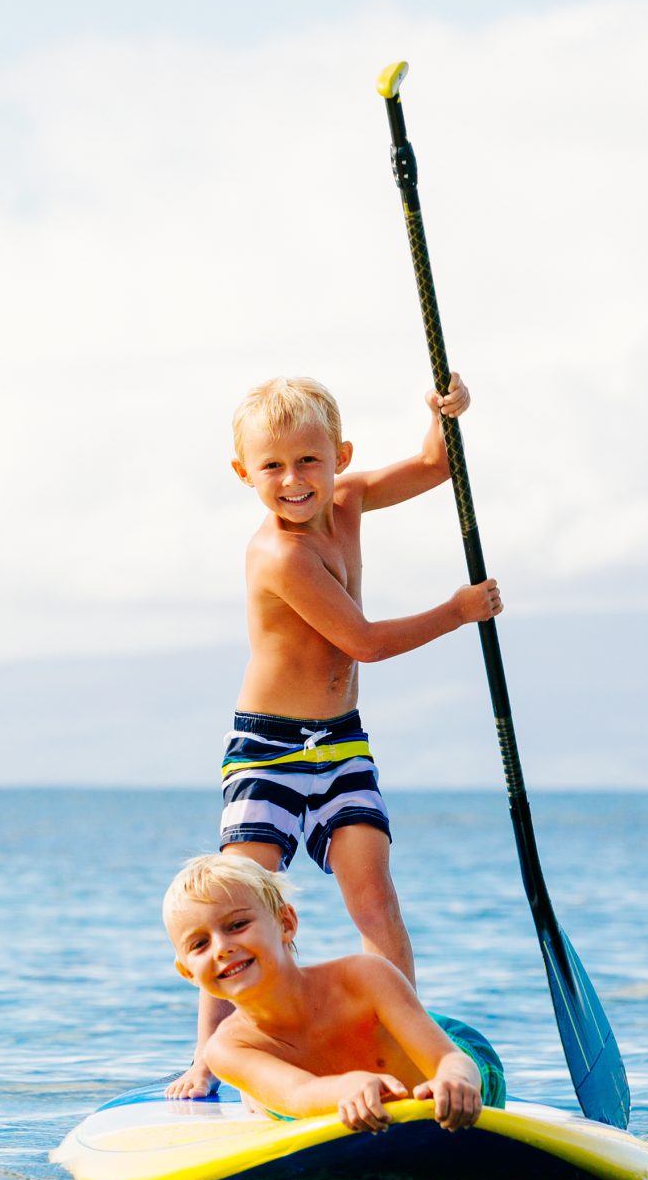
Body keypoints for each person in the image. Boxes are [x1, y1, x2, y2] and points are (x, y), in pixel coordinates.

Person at [170, 374, 500, 1099]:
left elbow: (435, 467)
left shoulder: (349, 503)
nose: (293, 480)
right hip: (270, 753)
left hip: (342, 744)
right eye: (272, 467)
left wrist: (445, 417)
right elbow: (365, 643)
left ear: (339, 456)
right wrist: (458, 610)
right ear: (244, 475)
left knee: (374, 898)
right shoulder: (279, 556)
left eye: (309, 461)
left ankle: (407, 1044)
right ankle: (207, 1057)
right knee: (232, 904)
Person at [163, 851, 494, 1129]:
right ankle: (261, 1091)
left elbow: (448, 1057)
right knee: (285, 1105)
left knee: (449, 1053)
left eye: (237, 925)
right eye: (200, 944)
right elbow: (302, 1093)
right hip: (320, 1088)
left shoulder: (365, 977)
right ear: (186, 972)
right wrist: (349, 1086)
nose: (222, 948)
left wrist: (457, 1079)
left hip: (455, 1054)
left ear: (286, 924)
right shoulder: (226, 1049)